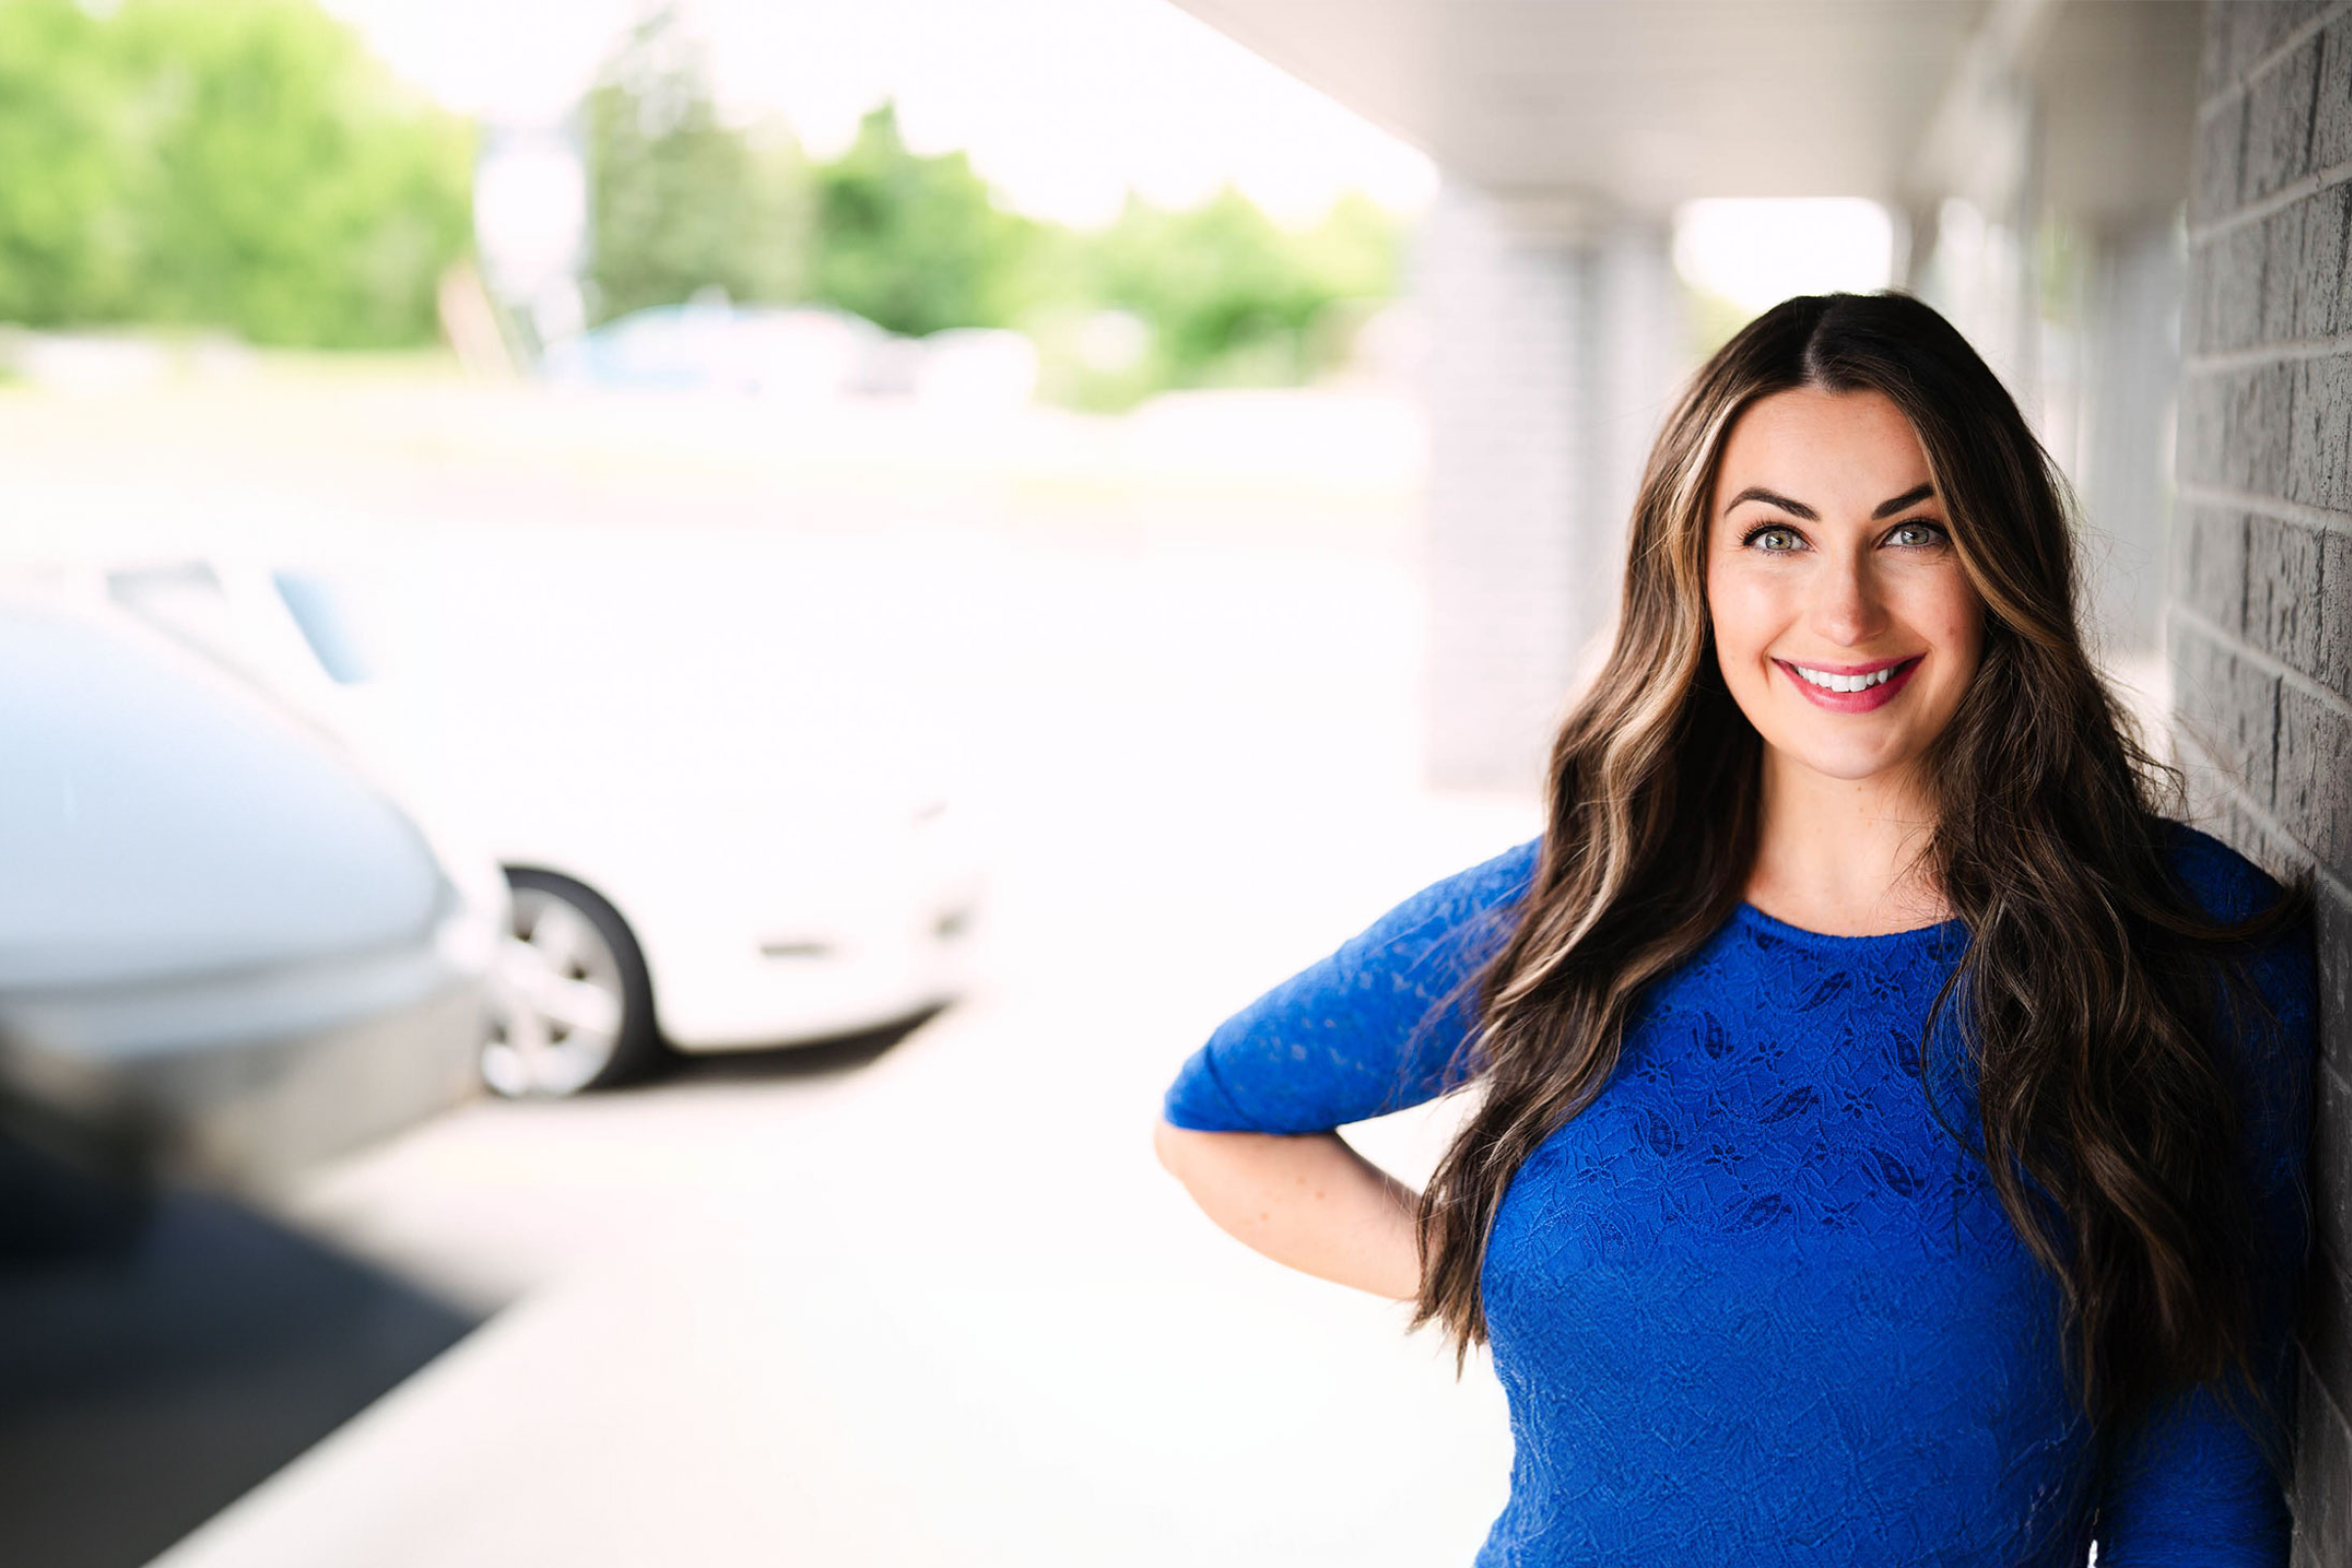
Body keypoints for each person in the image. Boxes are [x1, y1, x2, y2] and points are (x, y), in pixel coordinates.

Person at [1152, 291, 2318, 1565]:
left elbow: (2201, 1505)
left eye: (1913, 531)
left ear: (1998, 561)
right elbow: (1217, 1120)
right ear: (1693, 573)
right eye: (1775, 536)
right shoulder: (1579, 908)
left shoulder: (2177, 937)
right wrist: (1521, 1285)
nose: (1844, 611)